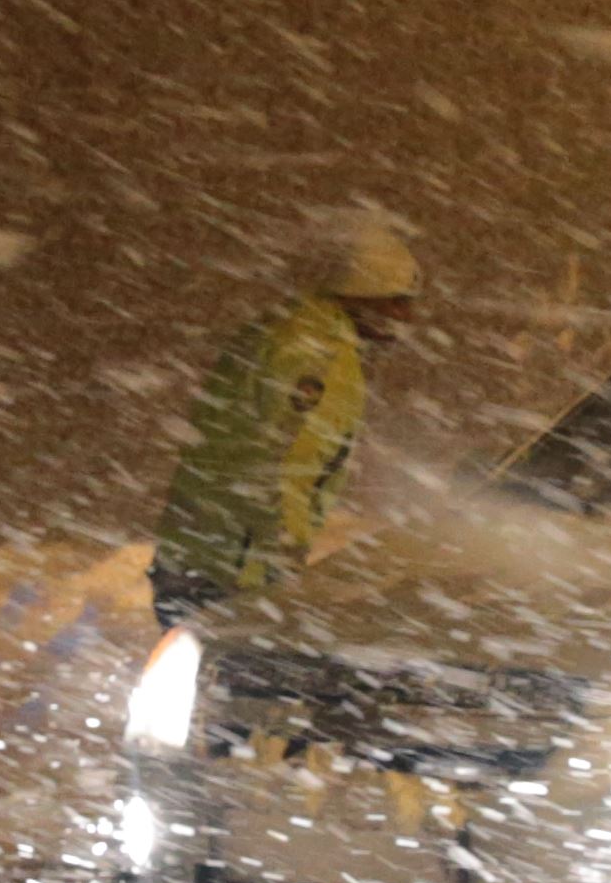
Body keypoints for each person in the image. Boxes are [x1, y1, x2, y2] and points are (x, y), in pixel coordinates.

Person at [149, 211, 421, 625]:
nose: (406, 317)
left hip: (201, 550)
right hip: (232, 564)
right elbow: (287, 463)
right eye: (397, 300)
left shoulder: (292, 330)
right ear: (361, 292)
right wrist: (276, 565)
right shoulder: (319, 351)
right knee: (223, 678)